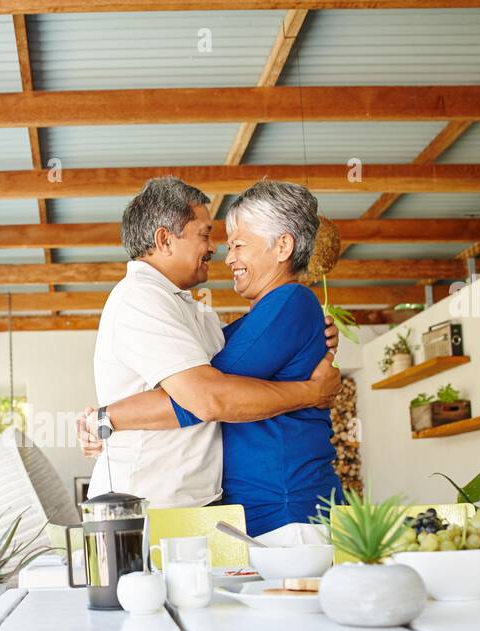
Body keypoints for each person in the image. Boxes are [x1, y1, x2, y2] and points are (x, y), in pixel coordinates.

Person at [80, 177, 341, 531]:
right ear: (164, 239)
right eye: (206, 235)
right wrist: (312, 393)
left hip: (272, 498)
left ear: (282, 247)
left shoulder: (278, 304)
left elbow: (208, 393)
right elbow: (208, 397)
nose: (221, 252)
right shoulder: (141, 298)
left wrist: (106, 419)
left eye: (238, 244)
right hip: (154, 501)